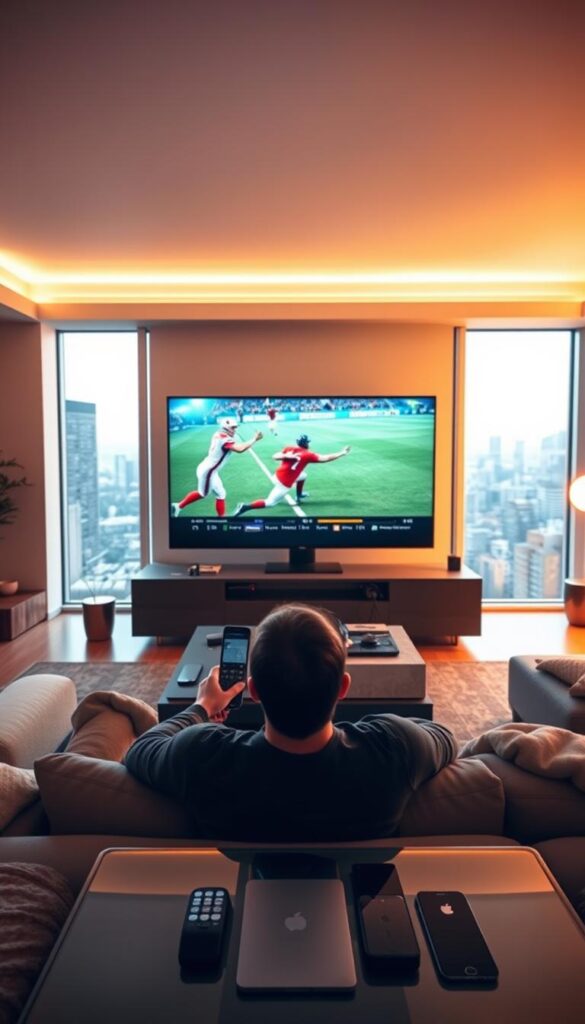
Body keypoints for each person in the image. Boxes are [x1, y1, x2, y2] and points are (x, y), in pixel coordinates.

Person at [124, 604, 457, 841]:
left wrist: (201, 707)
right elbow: (445, 736)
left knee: (113, 711)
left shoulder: (200, 753)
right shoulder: (394, 748)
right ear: (343, 687)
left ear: (253, 690)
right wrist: (383, 725)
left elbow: (143, 749)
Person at [232, 434, 350, 515]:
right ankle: (245, 507)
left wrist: (285, 456)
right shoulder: (308, 455)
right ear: (306, 444)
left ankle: (299, 496)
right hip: (284, 483)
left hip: (276, 476)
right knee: (270, 503)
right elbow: (326, 458)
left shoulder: (289, 448)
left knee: (303, 475)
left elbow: (274, 456)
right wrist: (342, 453)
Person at [171, 418, 263, 518]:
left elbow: (239, 447)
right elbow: (240, 449)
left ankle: (221, 518)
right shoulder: (224, 438)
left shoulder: (219, 434)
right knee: (203, 494)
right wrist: (254, 439)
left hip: (209, 468)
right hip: (208, 472)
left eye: (235, 427)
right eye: (232, 428)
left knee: (221, 494)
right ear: (225, 428)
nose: (235, 430)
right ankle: (178, 506)